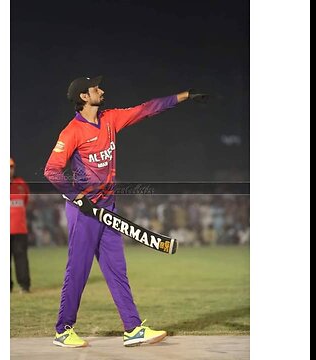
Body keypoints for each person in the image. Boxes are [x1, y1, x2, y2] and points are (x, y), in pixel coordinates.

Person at [44, 75, 207, 347]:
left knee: (117, 269)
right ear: (84, 97)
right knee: (78, 270)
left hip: (108, 209)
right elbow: (51, 170)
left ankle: (132, 329)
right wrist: (77, 197)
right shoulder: (71, 131)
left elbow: (147, 108)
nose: (102, 90)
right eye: (96, 88)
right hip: (84, 212)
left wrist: (184, 95)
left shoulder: (111, 119)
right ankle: (63, 330)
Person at [10, 157, 31, 293]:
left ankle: (24, 286)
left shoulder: (21, 184)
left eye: (11, 167)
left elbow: (26, 200)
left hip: (19, 229)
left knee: (21, 258)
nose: (9, 170)